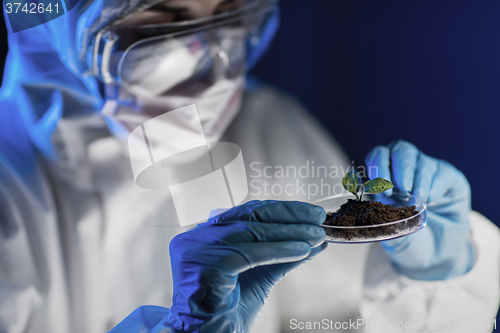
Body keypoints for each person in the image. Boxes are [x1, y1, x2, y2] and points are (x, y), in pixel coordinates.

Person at [0, 0, 499, 332]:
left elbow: (342, 320)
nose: (212, 68)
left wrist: (433, 283)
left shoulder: (266, 124)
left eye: (229, 13)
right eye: (157, 23)